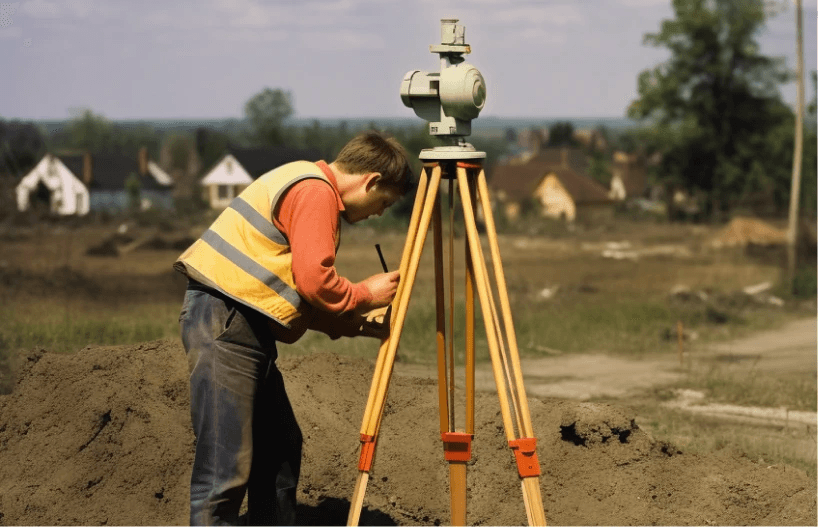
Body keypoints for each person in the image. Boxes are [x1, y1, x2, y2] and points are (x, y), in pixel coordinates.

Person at [173, 131, 412, 525]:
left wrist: (360, 326)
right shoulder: (315, 191)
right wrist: (365, 293)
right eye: (383, 202)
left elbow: (296, 298)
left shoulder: (305, 184)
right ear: (371, 181)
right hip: (225, 322)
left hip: (242, 325)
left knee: (279, 449)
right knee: (224, 467)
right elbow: (315, 282)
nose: (378, 213)